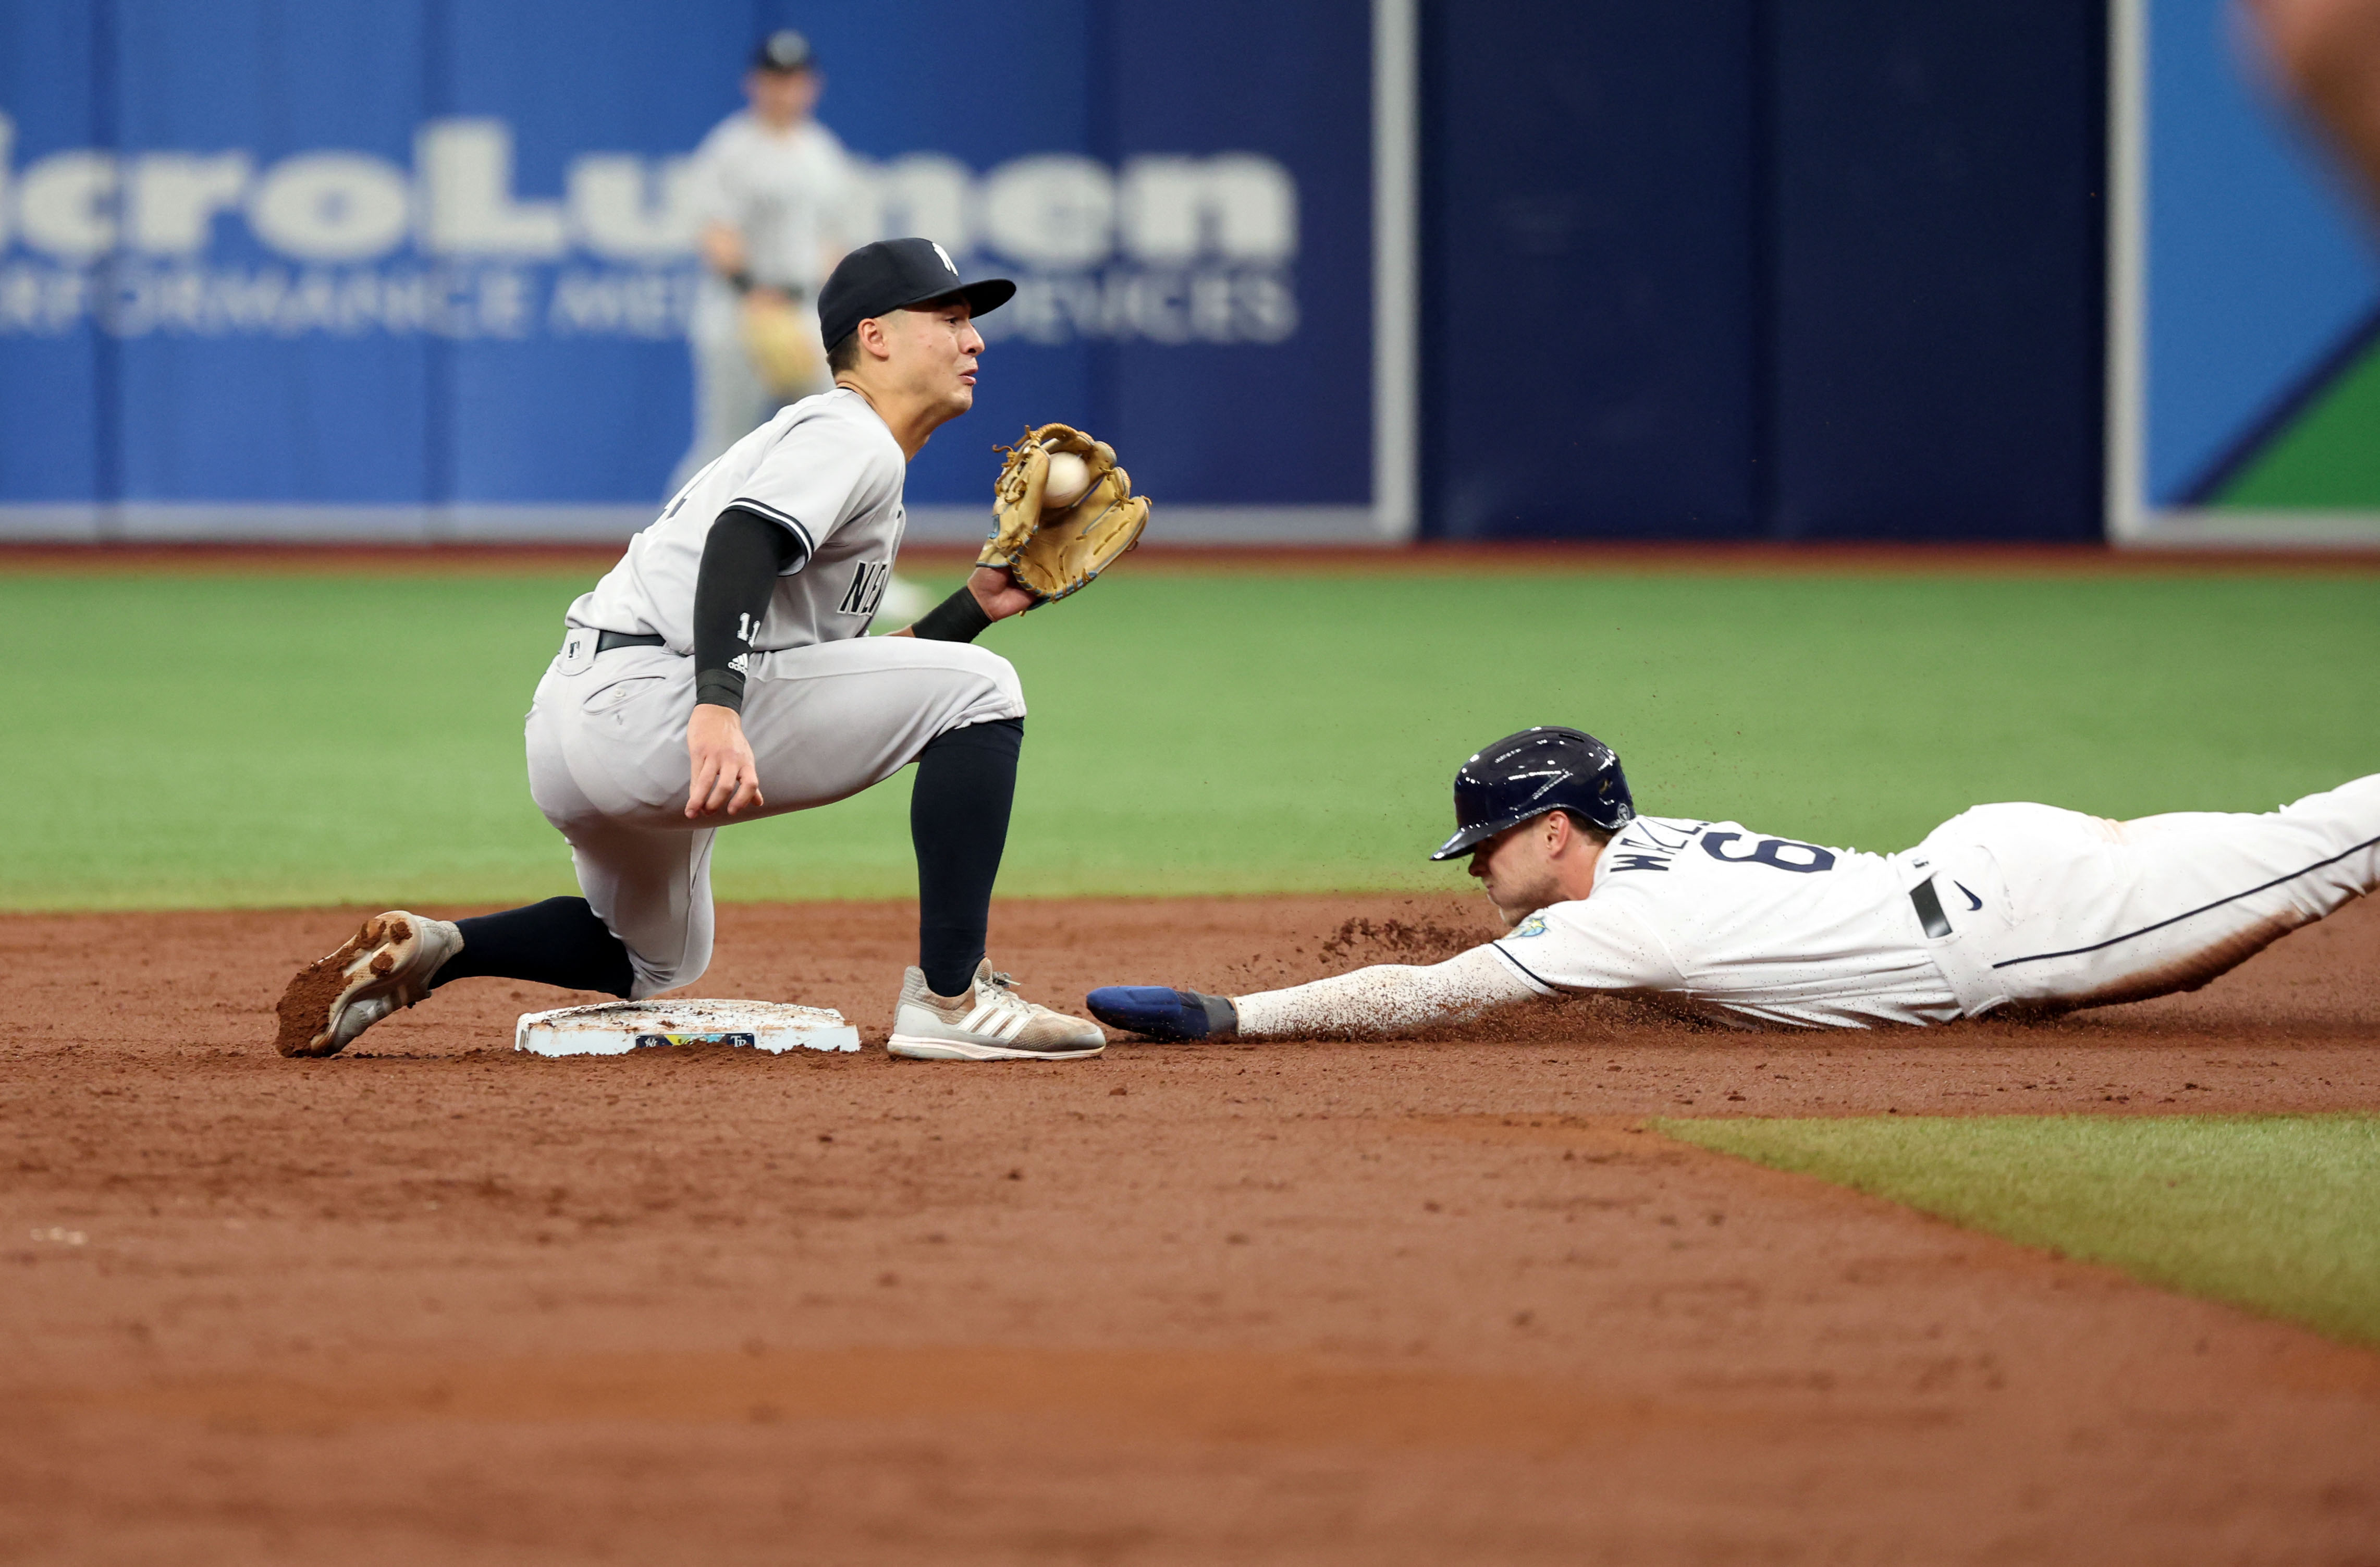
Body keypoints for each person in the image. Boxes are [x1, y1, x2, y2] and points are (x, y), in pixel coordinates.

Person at [274, 238, 1109, 1064]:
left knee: (656, 956)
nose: (975, 340)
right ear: (876, 337)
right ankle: (950, 1000)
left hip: (581, 720)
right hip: (658, 706)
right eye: (952, 318)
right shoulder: (847, 433)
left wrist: (980, 604)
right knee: (985, 690)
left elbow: (840, 678)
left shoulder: (841, 453)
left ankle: (437, 950)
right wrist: (715, 707)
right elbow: (741, 541)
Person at [1085, 726, 2380, 1039]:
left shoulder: (1628, 923)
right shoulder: (1657, 851)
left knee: (2326, 847)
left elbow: (1431, 994)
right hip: (1984, 863)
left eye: (1489, 838)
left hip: (2017, 927)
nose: (1476, 863)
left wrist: (1230, 1016)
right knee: (2293, 836)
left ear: (1555, 832)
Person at [669, 29, 864, 495]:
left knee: (837, 438)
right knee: (724, 447)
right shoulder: (732, 148)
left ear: (812, 85)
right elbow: (716, 236)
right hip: (741, 310)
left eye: (795, 78)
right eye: (774, 78)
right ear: (753, 84)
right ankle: (670, 561)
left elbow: (837, 243)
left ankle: (853, 566)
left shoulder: (823, 151)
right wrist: (755, 296)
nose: (785, 90)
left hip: (805, 311)